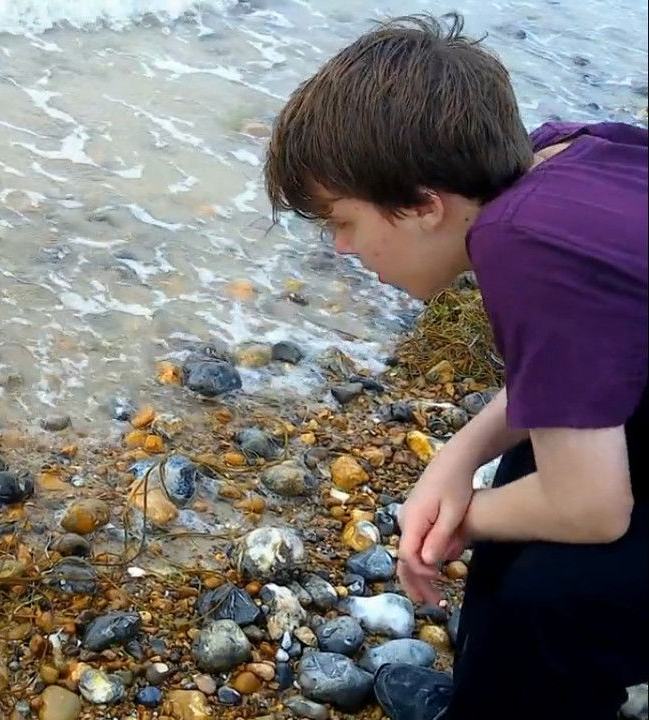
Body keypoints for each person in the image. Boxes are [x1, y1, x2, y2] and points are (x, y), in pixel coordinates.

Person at [262, 13, 647, 720]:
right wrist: (458, 454)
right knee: (529, 462)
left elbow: (591, 509)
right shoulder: (565, 156)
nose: (342, 249)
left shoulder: (522, 246)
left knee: (555, 597)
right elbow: (586, 364)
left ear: (421, 207)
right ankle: (490, 694)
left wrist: (457, 522)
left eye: (342, 222)